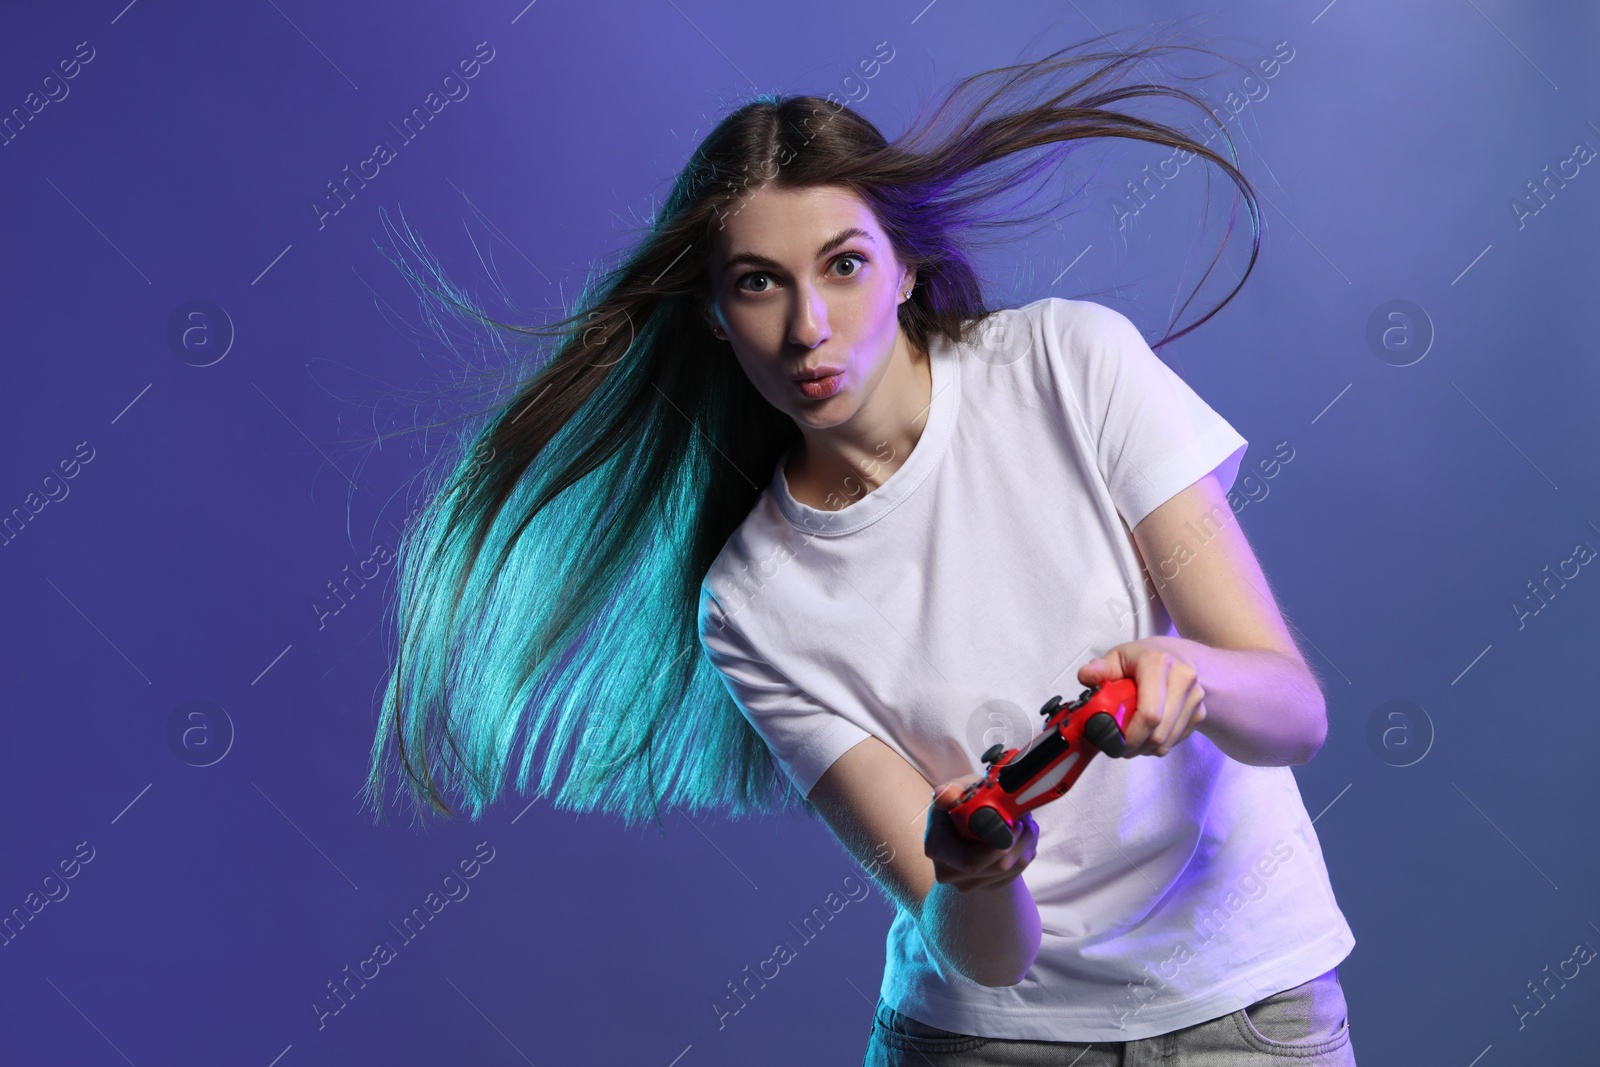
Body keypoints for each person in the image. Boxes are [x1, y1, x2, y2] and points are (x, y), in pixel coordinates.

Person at [362, 27, 1356, 1066]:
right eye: (757, 282)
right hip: (989, 1041)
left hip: (1250, 1005)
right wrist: (979, 875)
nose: (806, 327)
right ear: (712, 311)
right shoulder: (750, 603)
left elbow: (1292, 714)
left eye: (842, 265)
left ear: (906, 266)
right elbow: (989, 955)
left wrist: (1188, 669)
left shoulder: (1074, 363)